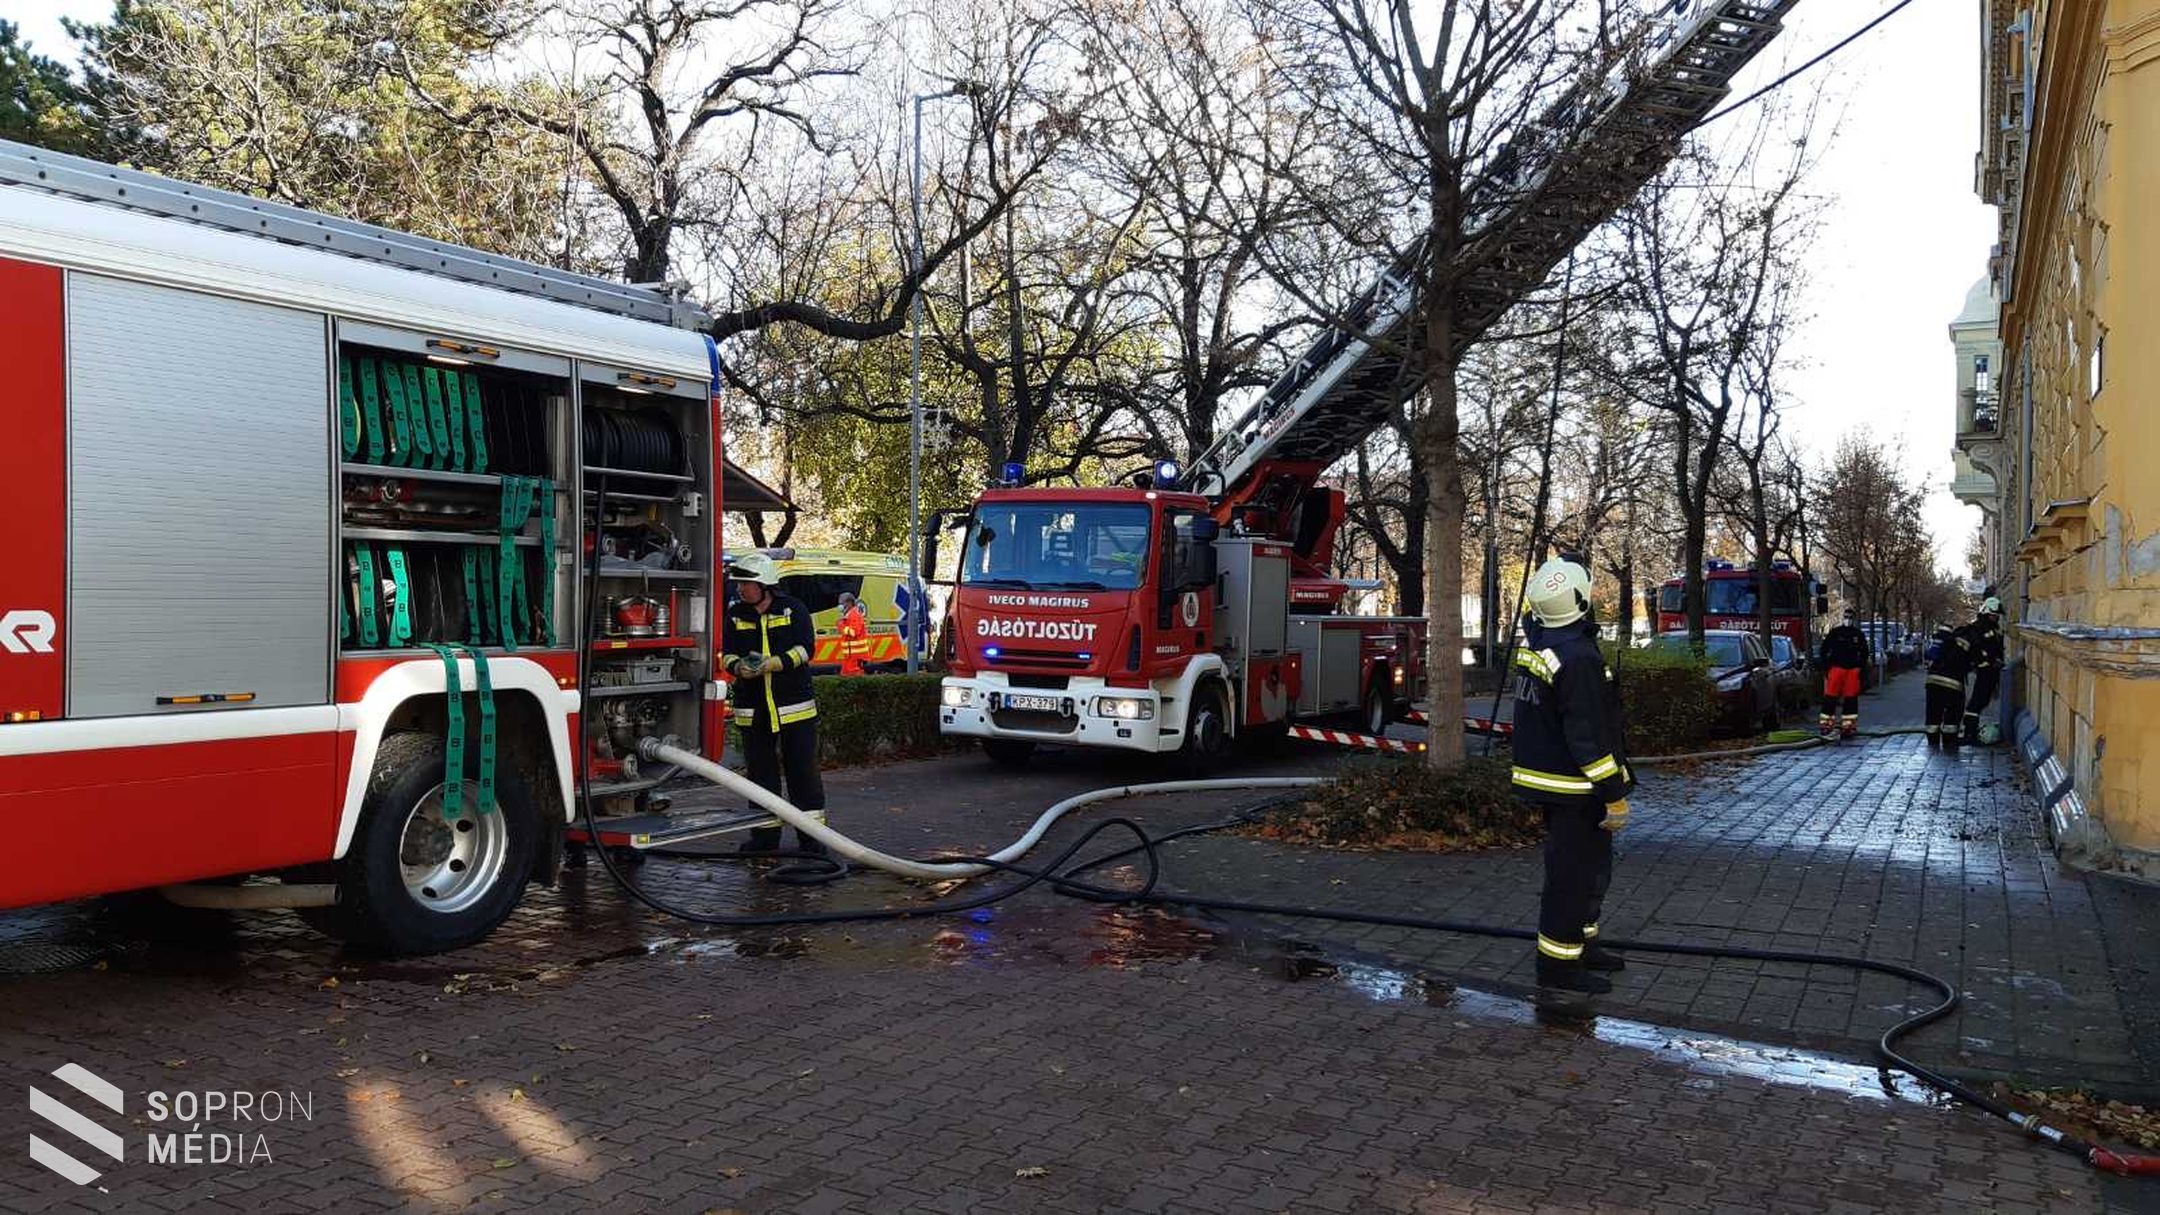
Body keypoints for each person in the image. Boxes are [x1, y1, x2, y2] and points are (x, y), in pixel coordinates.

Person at [1509, 556, 1635, 995]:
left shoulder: (1543, 642)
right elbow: (1588, 736)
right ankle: (1558, 965)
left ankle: (1581, 945)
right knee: (1572, 877)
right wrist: (1613, 792)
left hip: (1555, 781)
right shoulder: (1577, 658)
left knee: (1592, 869)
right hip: (1577, 788)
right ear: (1581, 602)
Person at [722, 553, 827, 855]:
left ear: (764, 584)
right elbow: (726, 653)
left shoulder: (794, 610)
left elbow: (807, 649)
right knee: (760, 777)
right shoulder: (735, 615)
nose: (740, 589)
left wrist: (774, 664)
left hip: (794, 709)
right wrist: (737, 667)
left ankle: (812, 842)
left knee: (802, 775)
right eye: (739, 583)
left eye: (746, 583)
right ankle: (764, 839)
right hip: (753, 711)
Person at [1924, 617, 1978, 753]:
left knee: (1933, 712)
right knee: (1953, 712)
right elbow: (1969, 662)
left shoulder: (1945, 641)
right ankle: (1949, 740)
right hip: (1952, 684)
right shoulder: (1966, 642)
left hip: (1932, 681)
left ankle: (1932, 740)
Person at [1817, 608, 1871, 740]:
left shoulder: (1858, 635)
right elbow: (1824, 649)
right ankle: (1826, 725)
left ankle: (1848, 726)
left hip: (1852, 671)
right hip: (1836, 669)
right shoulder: (1835, 633)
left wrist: (1859, 668)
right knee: (1830, 697)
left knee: (1851, 699)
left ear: (1854, 619)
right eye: (1846, 617)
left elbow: (1864, 653)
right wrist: (1827, 666)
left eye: (1850, 617)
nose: (1848, 619)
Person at [1962, 596, 2006, 745]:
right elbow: (1978, 649)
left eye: (1997, 616)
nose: (1996, 618)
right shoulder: (1979, 627)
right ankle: (1970, 733)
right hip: (1985, 671)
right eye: (1994, 615)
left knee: (1982, 701)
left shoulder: (1991, 628)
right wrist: (1989, 661)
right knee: (1977, 702)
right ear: (1987, 613)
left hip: (1990, 671)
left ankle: (1970, 732)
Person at [835, 590, 871, 678]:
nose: (840, 606)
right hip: (849, 655)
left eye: (842, 603)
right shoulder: (847, 615)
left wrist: (842, 627)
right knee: (845, 675)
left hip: (856, 656)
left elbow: (854, 632)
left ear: (850, 603)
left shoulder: (855, 615)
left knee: (854, 677)